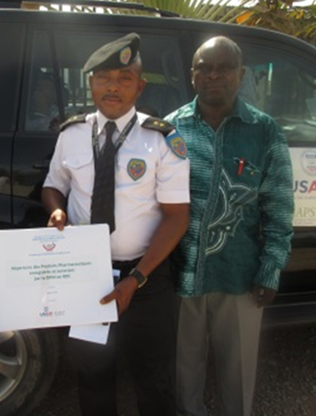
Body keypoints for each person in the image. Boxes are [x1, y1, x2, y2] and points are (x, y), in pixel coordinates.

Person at [42, 32, 190, 416]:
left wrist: (135, 280)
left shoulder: (162, 139)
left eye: (124, 78)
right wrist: (55, 210)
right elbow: (52, 186)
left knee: (154, 377)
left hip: (146, 277)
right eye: (104, 77)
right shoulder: (71, 134)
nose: (113, 86)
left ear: (139, 86)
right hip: (86, 277)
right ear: (90, 82)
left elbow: (177, 218)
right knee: (91, 373)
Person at [164, 36, 294, 416]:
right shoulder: (171, 129)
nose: (214, 74)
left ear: (241, 74)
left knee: (237, 374)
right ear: (192, 76)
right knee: (182, 368)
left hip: (240, 274)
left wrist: (270, 269)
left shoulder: (264, 132)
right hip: (180, 275)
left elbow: (280, 207)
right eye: (204, 67)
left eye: (224, 67)